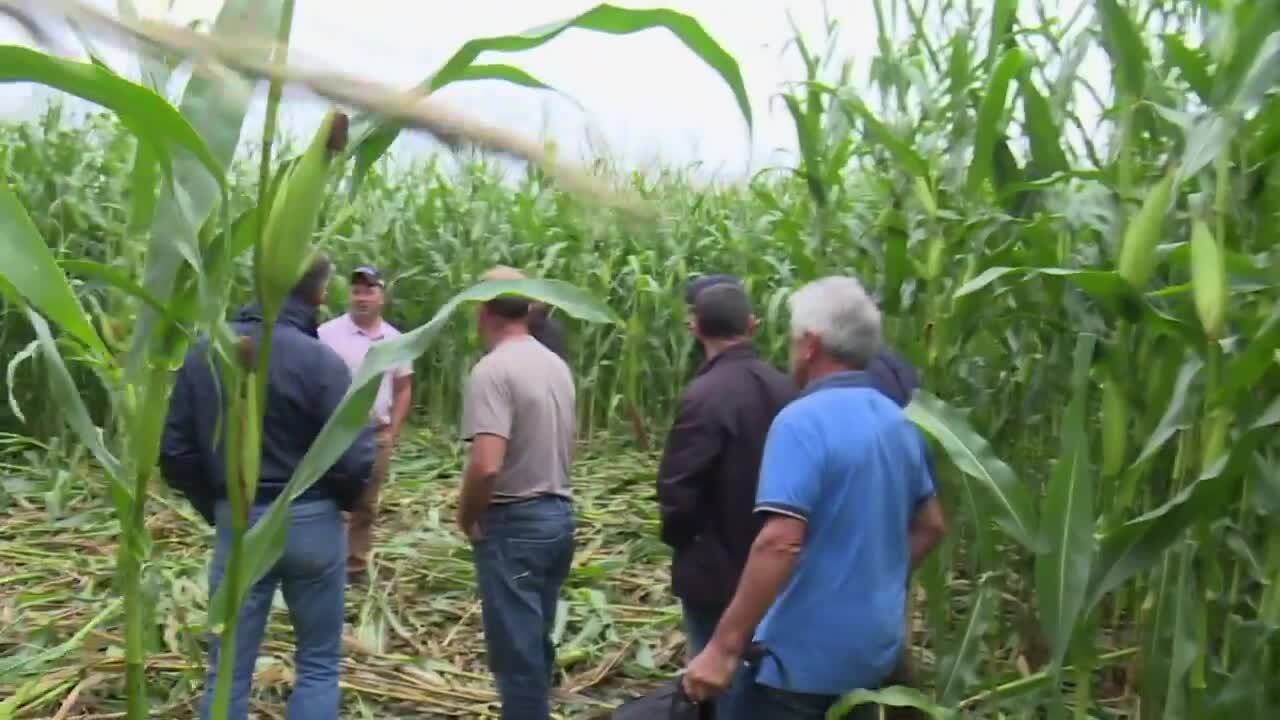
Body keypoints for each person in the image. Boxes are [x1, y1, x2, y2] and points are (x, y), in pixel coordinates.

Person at [681, 275, 947, 720]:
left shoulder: (801, 421)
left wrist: (724, 648)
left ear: (809, 344)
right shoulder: (898, 420)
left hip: (799, 663)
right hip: (873, 653)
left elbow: (780, 541)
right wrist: (871, 583)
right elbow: (932, 525)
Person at [160, 255, 376, 720]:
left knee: (228, 671)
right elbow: (357, 456)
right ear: (319, 294)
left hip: (239, 519)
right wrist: (334, 503)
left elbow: (175, 454)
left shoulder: (207, 353)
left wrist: (218, 504)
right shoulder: (323, 362)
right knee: (318, 664)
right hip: (313, 520)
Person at [458, 266, 578, 719]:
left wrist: (466, 516)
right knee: (537, 639)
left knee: (517, 657)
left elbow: (487, 464)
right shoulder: (556, 365)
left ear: (484, 310)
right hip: (559, 516)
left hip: (516, 524)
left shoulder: (494, 370)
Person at [657, 282, 796, 664]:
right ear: (753, 326)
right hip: (780, 568)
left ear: (696, 328)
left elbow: (678, 491)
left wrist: (685, 543)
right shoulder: (788, 388)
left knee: (714, 674)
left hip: (715, 574)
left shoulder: (704, 395)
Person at [317, 265, 414, 579]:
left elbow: (403, 387)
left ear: (382, 297)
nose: (362, 298)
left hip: (375, 433)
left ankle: (355, 565)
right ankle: (327, 563)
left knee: (366, 504)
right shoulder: (326, 334)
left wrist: (393, 431)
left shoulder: (396, 340)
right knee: (330, 501)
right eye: (356, 291)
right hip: (334, 432)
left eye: (369, 291)